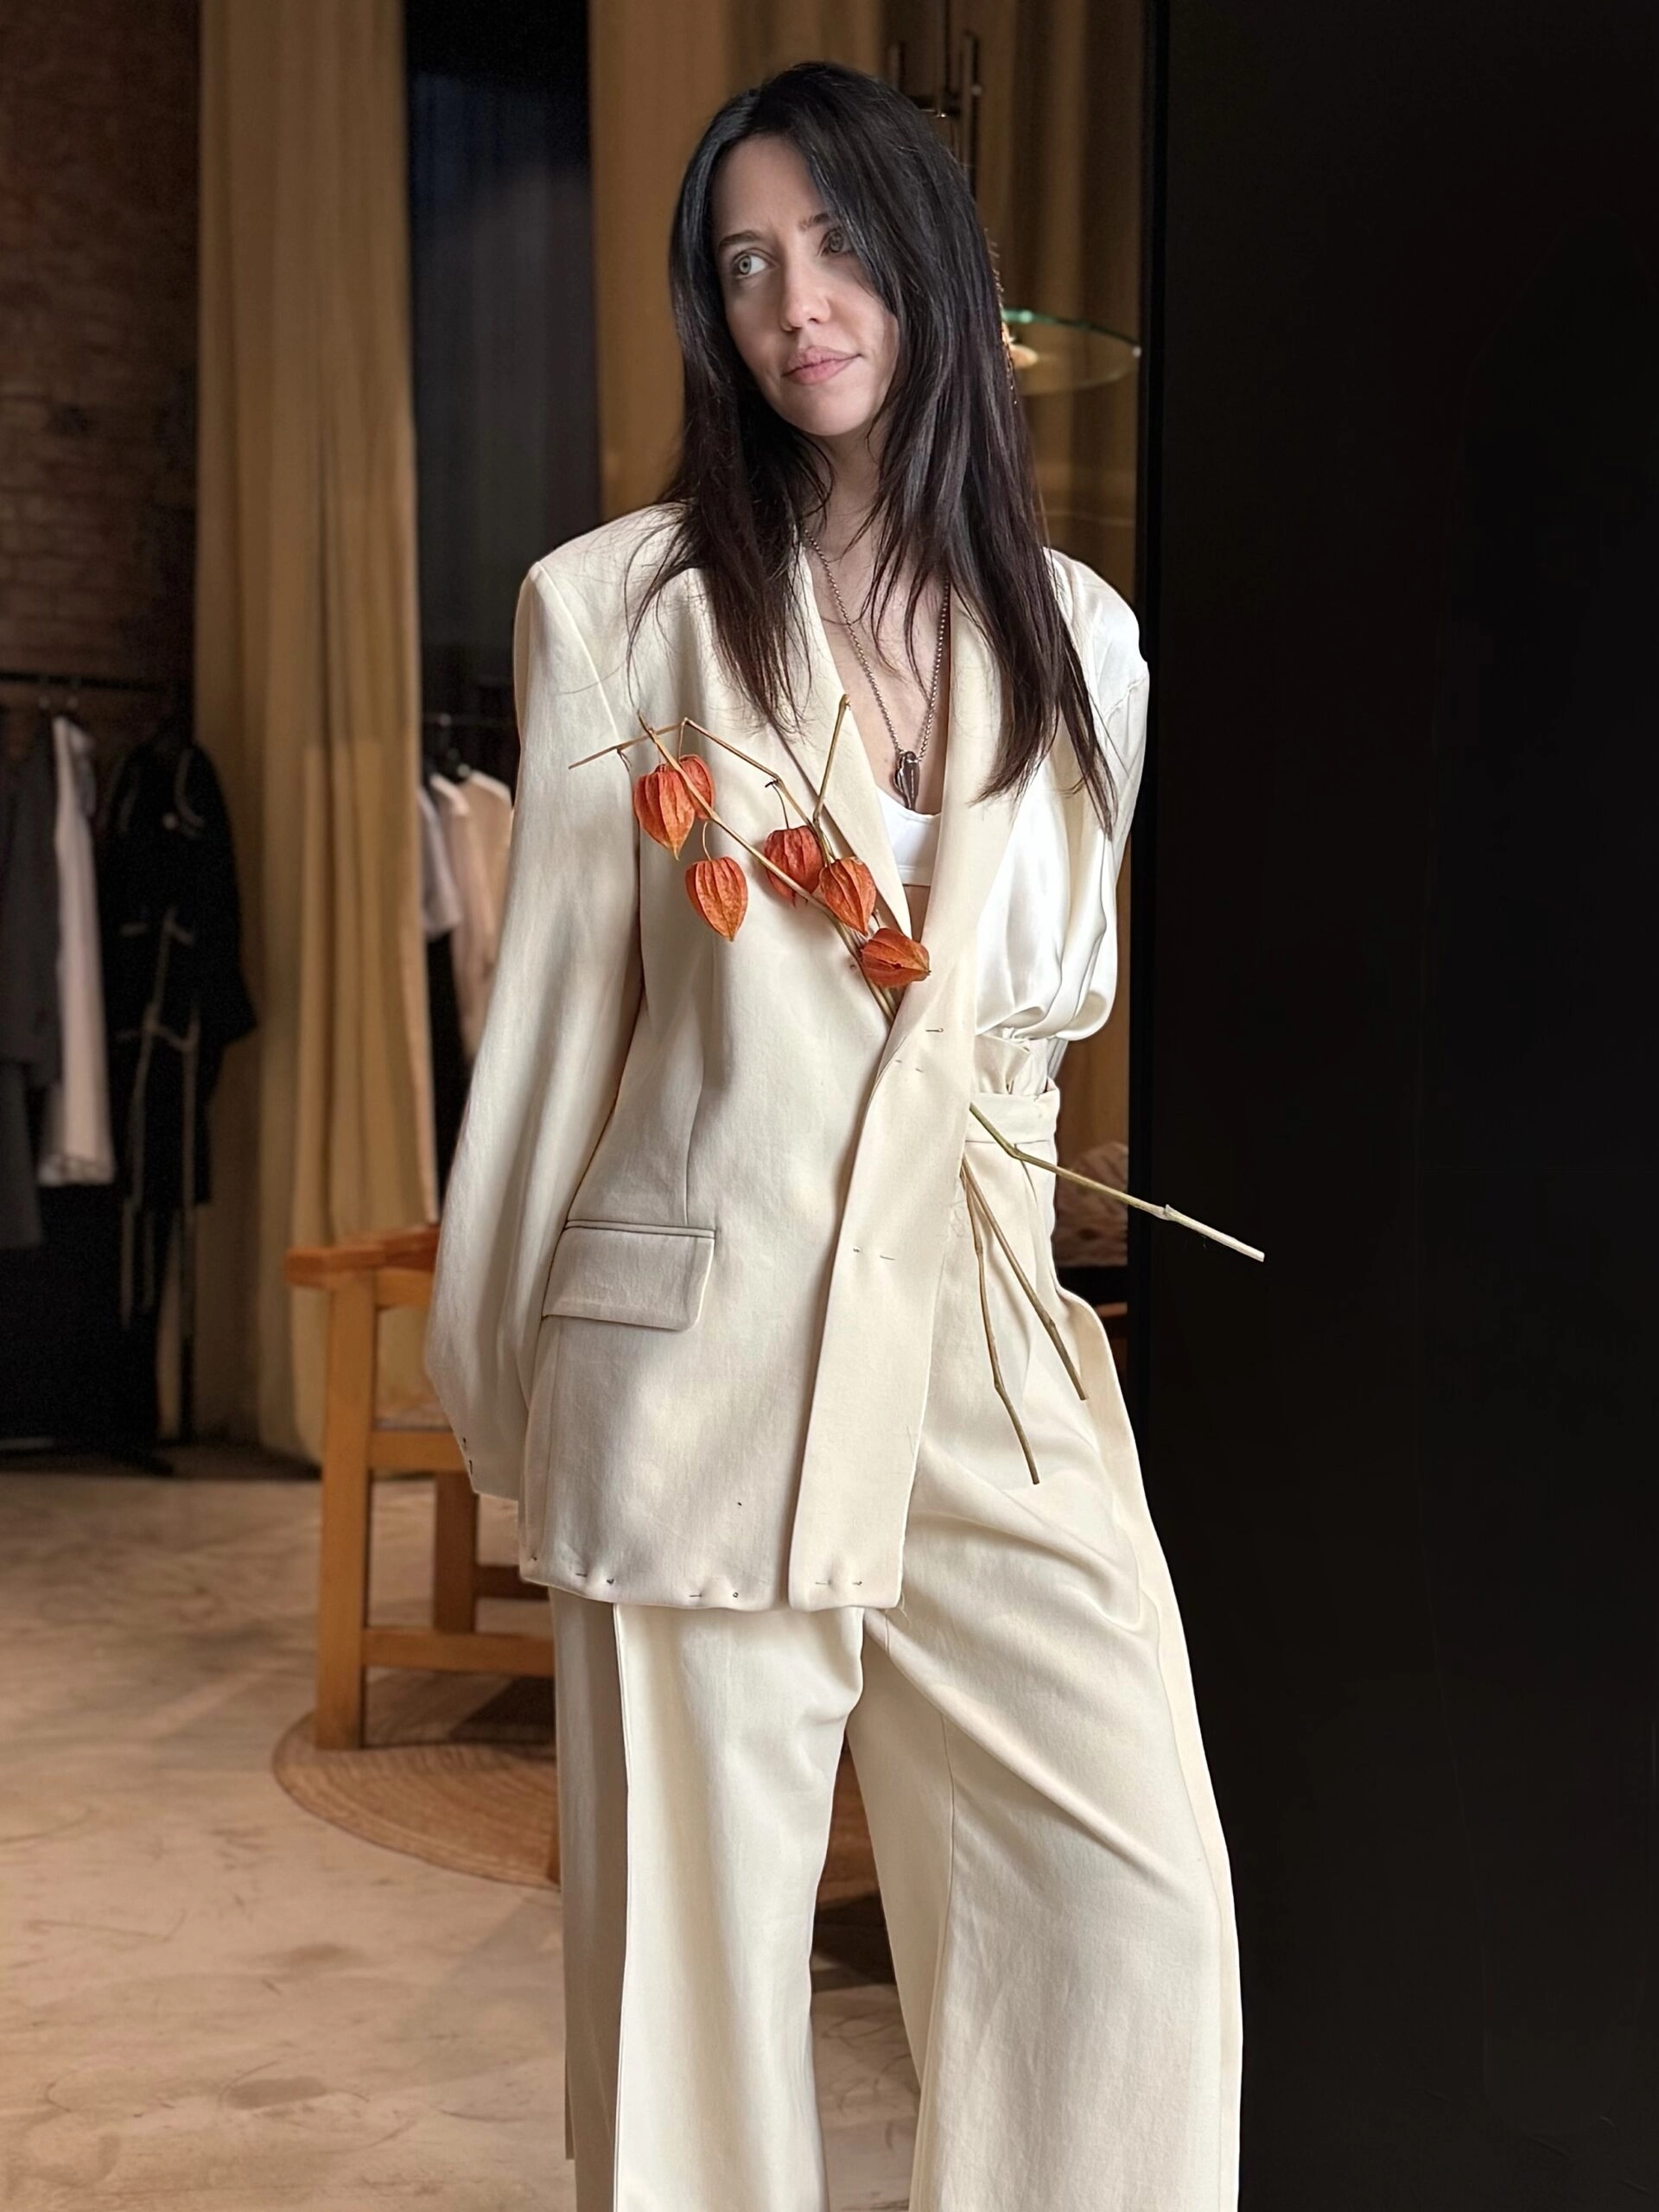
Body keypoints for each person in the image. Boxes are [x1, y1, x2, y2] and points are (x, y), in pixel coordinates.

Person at [427, 57, 1241, 2212]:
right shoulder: (620, 612)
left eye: (841, 243)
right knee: (690, 2038)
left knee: (1134, 1919)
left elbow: (1032, 1030)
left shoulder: (1086, 644)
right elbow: (555, 1042)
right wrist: (505, 1396)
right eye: (745, 263)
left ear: (933, 265)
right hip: (697, 1364)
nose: (797, 300)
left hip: (987, 1359)